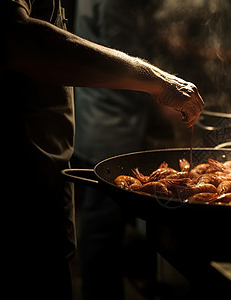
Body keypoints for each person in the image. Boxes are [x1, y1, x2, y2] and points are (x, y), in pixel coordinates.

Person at [0, 0, 203, 299]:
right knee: (98, 230)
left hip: (45, 170)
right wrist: (159, 82)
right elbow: (15, 36)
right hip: (19, 187)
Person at [73, 0, 162, 299]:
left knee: (111, 219)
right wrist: (166, 90)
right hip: (110, 122)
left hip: (109, 117)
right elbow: (122, 57)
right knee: (102, 223)